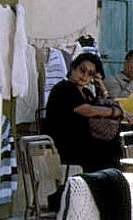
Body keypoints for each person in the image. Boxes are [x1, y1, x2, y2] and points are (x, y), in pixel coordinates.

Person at [43, 50, 127, 179]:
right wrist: (114, 112)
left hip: (85, 141)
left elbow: (102, 106)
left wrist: (102, 87)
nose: (84, 76)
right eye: (82, 70)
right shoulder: (64, 89)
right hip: (67, 142)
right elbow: (87, 110)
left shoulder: (86, 92)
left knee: (115, 142)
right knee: (107, 151)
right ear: (73, 68)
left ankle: (111, 180)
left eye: (90, 74)